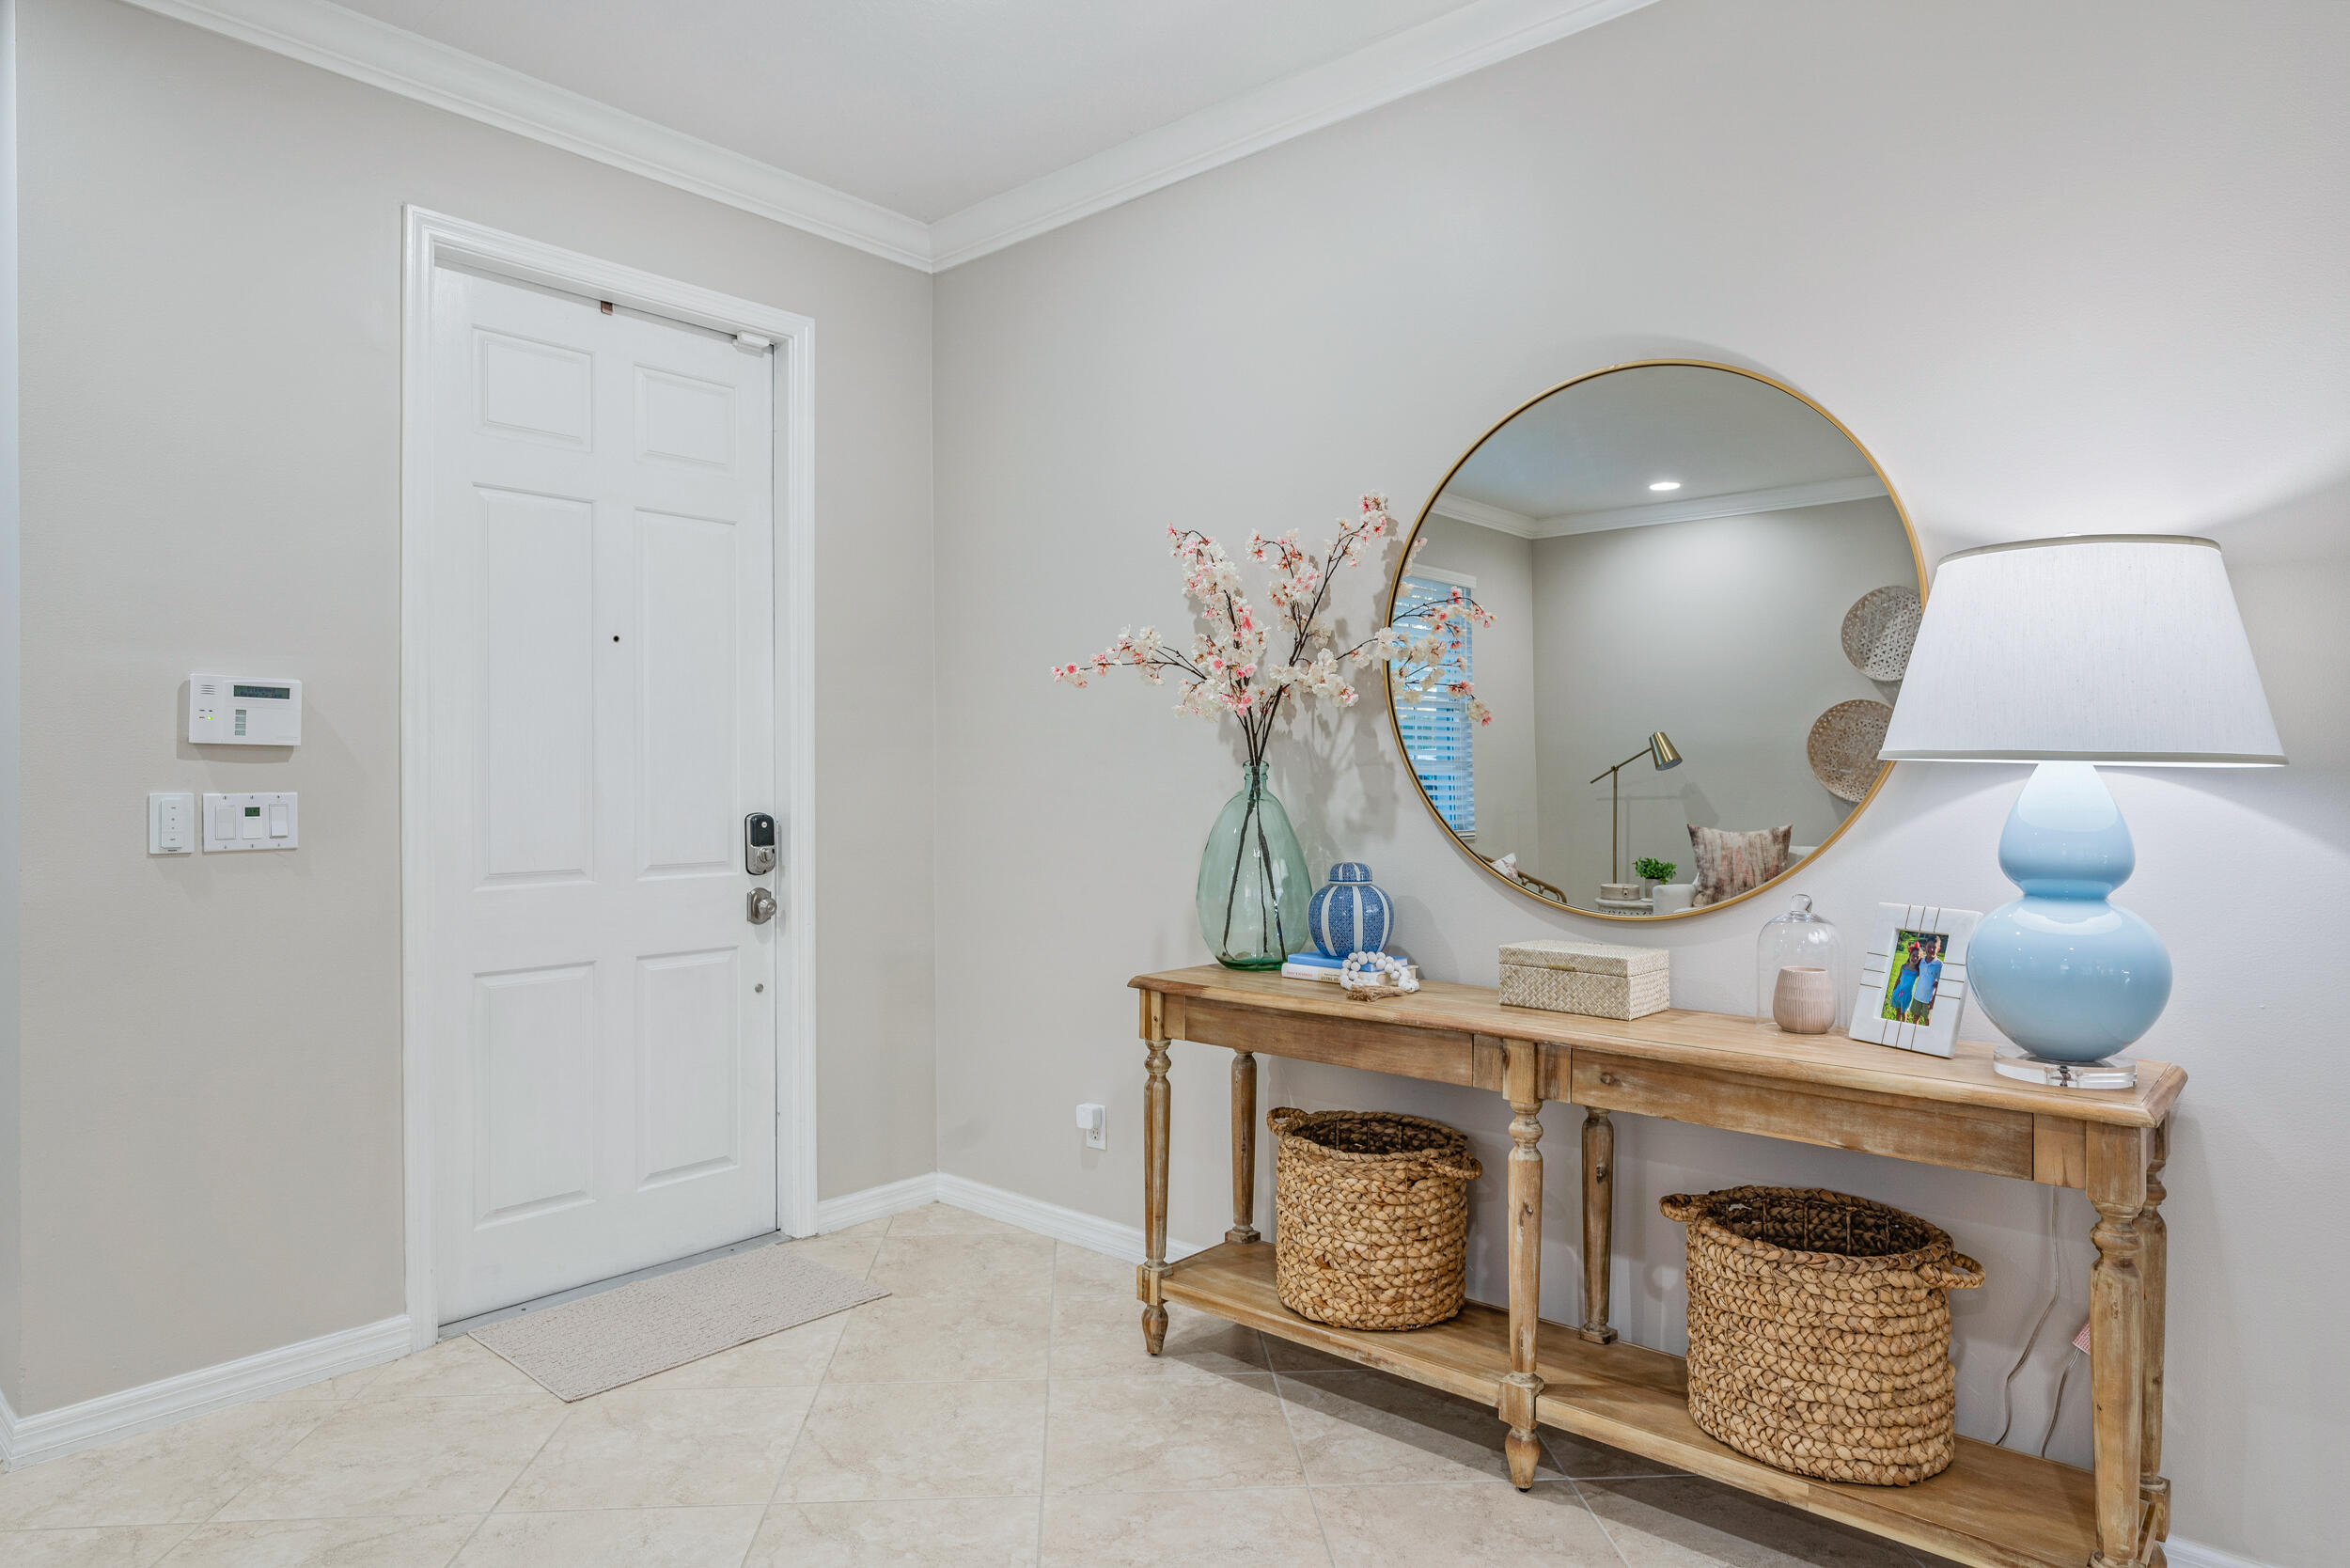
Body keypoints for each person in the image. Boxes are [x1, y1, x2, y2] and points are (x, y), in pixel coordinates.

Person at [1909, 939, 1944, 1024]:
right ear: (1925, 947)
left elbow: (1940, 984)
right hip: (1917, 996)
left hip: (1929, 999)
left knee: (1927, 1020)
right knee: (1915, 1017)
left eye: (1934, 947)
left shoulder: (1939, 965)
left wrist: (1933, 1001)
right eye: (1929, 946)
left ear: (1938, 949)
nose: (1931, 949)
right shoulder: (1921, 961)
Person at [1887, 939, 1921, 1017]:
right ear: (1909, 955)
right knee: (1898, 1011)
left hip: (1907, 995)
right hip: (1898, 991)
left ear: (1919, 959)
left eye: (1917, 957)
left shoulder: (1917, 971)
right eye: (1913, 955)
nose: (1915, 958)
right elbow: (1899, 979)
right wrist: (1894, 989)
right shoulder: (1903, 967)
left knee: (1904, 1013)